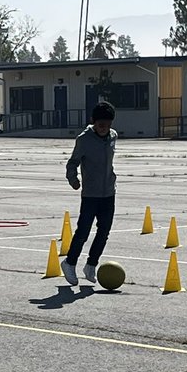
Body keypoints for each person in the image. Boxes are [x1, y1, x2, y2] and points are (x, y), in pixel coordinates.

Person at [60, 101, 118, 286]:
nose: (105, 128)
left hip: (109, 192)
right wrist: (73, 179)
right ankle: (69, 262)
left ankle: (91, 265)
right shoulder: (84, 139)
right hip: (91, 194)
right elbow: (72, 162)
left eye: (108, 125)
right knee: (83, 231)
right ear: (93, 121)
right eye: (101, 125)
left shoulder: (113, 136)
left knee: (104, 232)